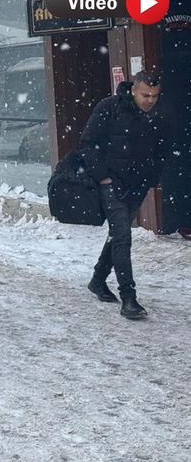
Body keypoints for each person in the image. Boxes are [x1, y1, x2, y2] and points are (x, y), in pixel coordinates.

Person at [79, 71, 171, 319]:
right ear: (133, 89)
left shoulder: (158, 114)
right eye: (145, 95)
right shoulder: (110, 107)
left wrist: (153, 176)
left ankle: (98, 279)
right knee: (122, 236)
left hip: (137, 184)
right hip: (111, 181)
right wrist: (102, 177)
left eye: (154, 95)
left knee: (117, 235)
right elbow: (88, 143)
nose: (150, 100)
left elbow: (162, 148)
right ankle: (128, 298)